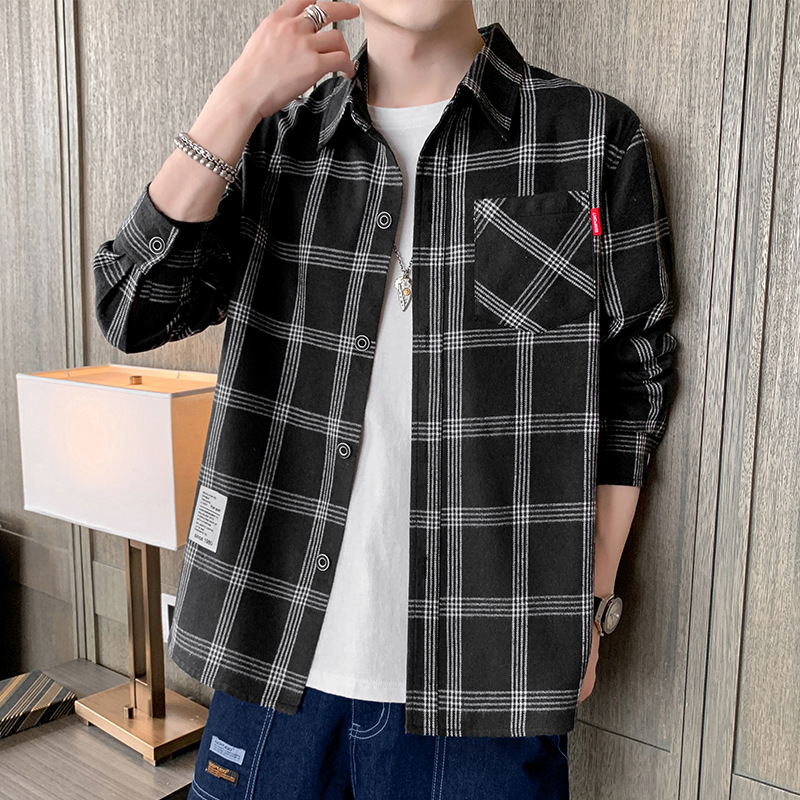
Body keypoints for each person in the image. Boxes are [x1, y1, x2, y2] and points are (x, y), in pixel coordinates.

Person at [92, 0, 677, 797]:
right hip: (271, 654)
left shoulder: (590, 137)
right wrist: (237, 98)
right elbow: (131, 307)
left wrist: (593, 598)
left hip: (490, 679)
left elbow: (633, 376)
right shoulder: (276, 140)